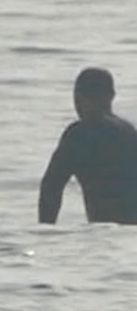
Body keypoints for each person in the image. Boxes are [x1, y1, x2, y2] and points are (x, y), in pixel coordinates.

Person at [39, 66, 137, 224]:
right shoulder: (129, 132)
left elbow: (51, 188)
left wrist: (45, 232)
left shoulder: (79, 134)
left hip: (103, 232)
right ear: (111, 96)